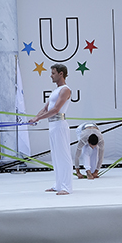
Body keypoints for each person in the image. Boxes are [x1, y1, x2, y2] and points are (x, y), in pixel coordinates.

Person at [30, 64, 73, 195]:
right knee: (55, 156)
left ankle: (67, 187)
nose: (51, 75)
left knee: (63, 155)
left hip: (60, 125)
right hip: (53, 126)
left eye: (53, 73)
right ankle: (58, 184)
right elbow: (46, 108)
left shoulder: (65, 90)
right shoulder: (55, 91)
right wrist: (35, 117)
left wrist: (38, 119)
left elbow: (55, 110)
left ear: (61, 74)